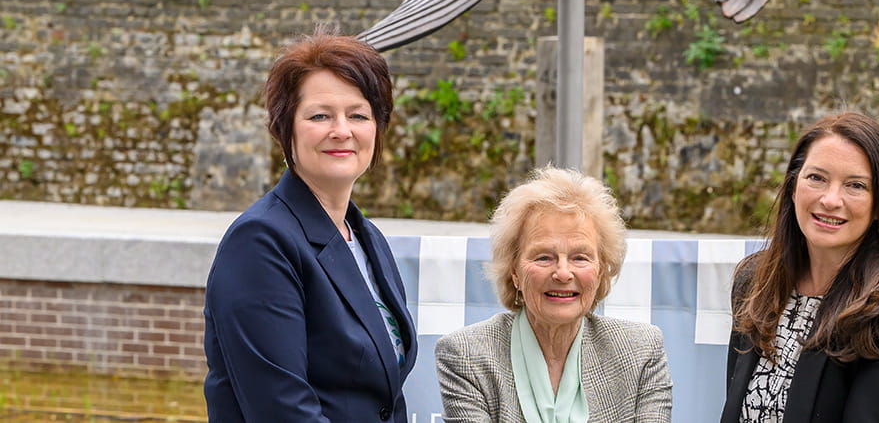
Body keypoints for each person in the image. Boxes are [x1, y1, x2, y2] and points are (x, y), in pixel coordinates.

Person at [204, 32, 417, 422]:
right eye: (320, 115)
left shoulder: (368, 238)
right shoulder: (260, 242)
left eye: (358, 115)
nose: (342, 130)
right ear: (286, 129)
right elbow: (281, 411)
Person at [719, 112, 879, 423]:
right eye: (817, 178)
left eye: (855, 185)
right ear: (793, 186)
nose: (830, 199)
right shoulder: (755, 282)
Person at [435, 167, 673, 422]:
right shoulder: (466, 355)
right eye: (544, 257)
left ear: (601, 271)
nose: (562, 273)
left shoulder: (641, 350)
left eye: (580, 257)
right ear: (514, 271)